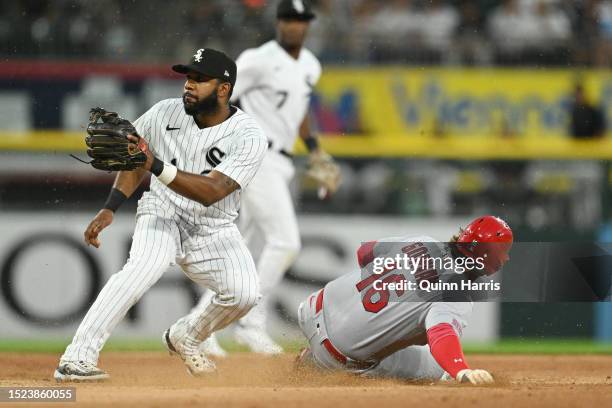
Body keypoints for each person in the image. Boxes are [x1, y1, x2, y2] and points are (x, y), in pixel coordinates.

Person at [54, 48, 268, 381]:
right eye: (187, 77)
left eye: (199, 79)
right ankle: (77, 357)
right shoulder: (164, 112)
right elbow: (132, 160)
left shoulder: (249, 135)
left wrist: (153, 163)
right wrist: (111, 206)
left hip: (214, 227)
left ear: (223, 89)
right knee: (142, 268)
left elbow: (212, 191)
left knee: (244, 294)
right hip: (163, 212)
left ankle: (187, 335)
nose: (189, 85)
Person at [195, 0, 339, 356]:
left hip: (282, 162)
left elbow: (300, 107)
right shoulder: (259, 58)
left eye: (301, 20)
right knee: (285, 242)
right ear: (278, 23)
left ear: (308, 25)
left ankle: (199, 326)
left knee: (239, 246)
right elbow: (222, 91)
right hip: (255, 156)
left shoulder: (310, 65)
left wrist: (315, 149)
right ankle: (250, 323)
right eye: (288, 19)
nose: (295, 26)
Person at [295, 216, 513, 384]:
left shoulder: (423, 241)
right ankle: (317, 365)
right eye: (504, 251)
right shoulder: (456, 292)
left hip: (311, 307)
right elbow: (442, 335)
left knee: (402, 321)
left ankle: (313, 360)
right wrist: (461, 369)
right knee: (436, 368)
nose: (507, 257)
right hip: (335, 357)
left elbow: (365, 252)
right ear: (489, 254)